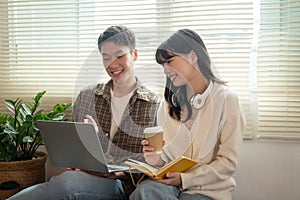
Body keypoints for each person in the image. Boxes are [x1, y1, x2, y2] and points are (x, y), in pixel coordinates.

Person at [8, 25, 160, 200]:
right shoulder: (87, 97)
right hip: (87, 179)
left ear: (134, 55)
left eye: (120, 56)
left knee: (68, 183)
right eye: (106, 57)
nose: (113, 64)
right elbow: (75, 153)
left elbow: (154, 163)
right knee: (67, 180)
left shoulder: (154, 105)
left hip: (126, 186)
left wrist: (121, 174)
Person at [130, 29, 246, 200]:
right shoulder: (168, 105)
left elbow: (227, 163)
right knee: (145, 192)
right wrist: (156, 160)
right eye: (162, 65)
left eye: (170, 61)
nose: (165, 70)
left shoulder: (227, 100)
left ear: (193, 56)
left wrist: (185, 179)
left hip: (207, 191)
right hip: (171, 187)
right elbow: (169, 159)